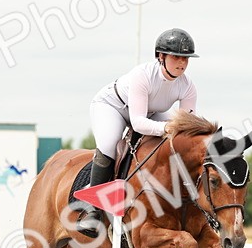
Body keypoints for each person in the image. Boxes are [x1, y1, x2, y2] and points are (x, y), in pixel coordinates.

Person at [78, 28, 200, 235]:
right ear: (160, 56)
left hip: (149, 113)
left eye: (186, 58)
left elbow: (185, 126)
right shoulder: (143, 75)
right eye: (176, 57)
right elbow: (137, 123)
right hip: (113, 106)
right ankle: (91, 210)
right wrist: (167, 128)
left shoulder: (187, 86)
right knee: (109, 143)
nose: (182, 63)